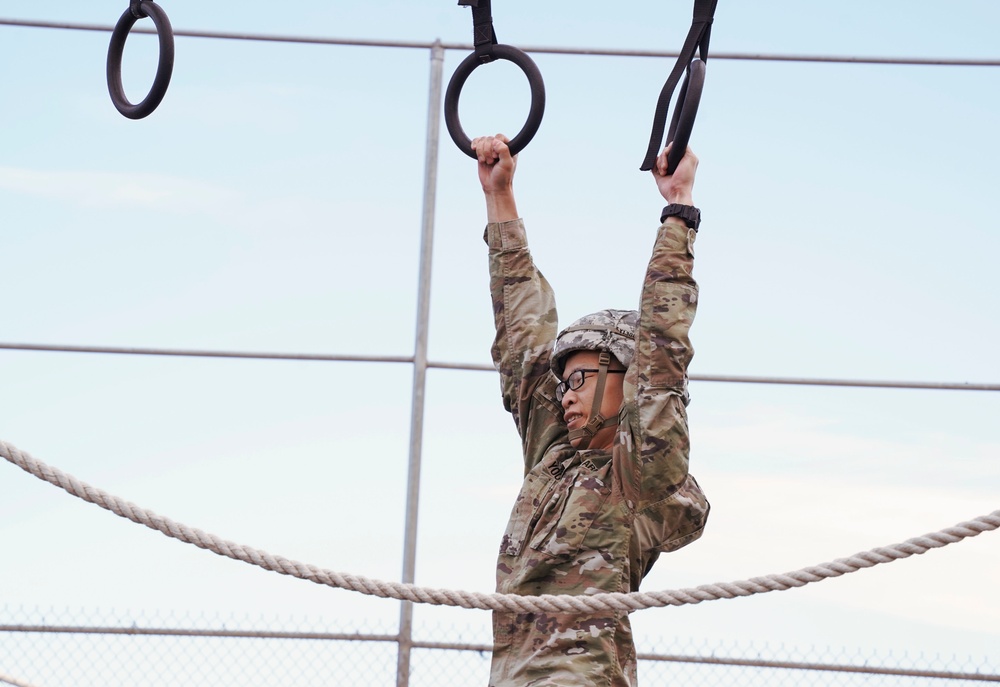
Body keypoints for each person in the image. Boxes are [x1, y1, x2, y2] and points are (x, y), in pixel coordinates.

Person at [473, 133, 711, 687]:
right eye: (564, 382)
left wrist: (678, 211)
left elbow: (660, 359)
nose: (565, 393)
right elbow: (522, 338)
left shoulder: (639, 479)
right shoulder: (553, 458)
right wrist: (500, 198)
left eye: (580, 378)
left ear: (625, 384)